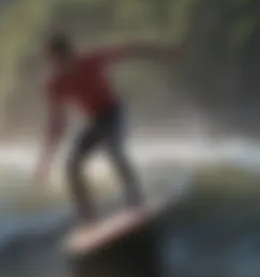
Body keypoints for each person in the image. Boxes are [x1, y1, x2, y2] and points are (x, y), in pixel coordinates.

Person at [34, 32, 180, 224]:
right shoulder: (55, 84)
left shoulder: (92, 60)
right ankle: (88, 218)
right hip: (95, 121)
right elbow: (56, 123)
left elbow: (129, 50)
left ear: (71, 53)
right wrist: (46, 161)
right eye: (55, 61)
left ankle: (136, 199)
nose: (61, 65)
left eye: (63, 59)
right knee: (71, 166)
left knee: (112, 149)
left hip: (114, 113)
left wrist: (163, 53)